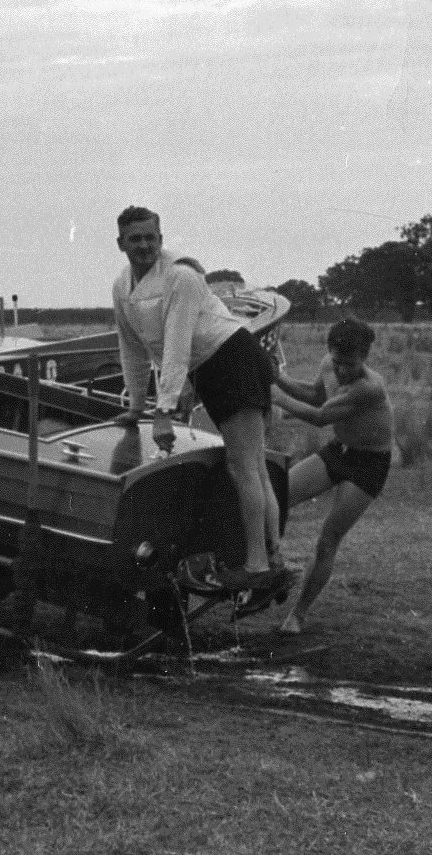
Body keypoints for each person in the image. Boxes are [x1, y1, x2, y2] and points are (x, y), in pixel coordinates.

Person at [111, 205, 292, 596]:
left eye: (151, 238)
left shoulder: (182, 276)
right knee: (253, 466)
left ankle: (258, 565)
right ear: (121, 243)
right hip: (215, 367)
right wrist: (136, 404)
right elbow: (132, 349)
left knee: (244, 466)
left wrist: (163, 412)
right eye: (135, 239)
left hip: (232, 358)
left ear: (161, 238)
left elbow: (176, 346)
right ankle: (274, 559)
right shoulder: (122, 286)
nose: (144, 245)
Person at [270, 318, 393, 634]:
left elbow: (321, 416)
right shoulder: (330, 364)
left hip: (369, 465)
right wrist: (278, 377)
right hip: (339, 450)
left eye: (349, 365)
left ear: (364, 355)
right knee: (275, 497)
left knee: (327, 541)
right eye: (336, 362)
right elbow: (315, 394)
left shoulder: (369, 388)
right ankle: (271, 567)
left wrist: (277, 396)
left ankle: (298, 615)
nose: (340, 371)